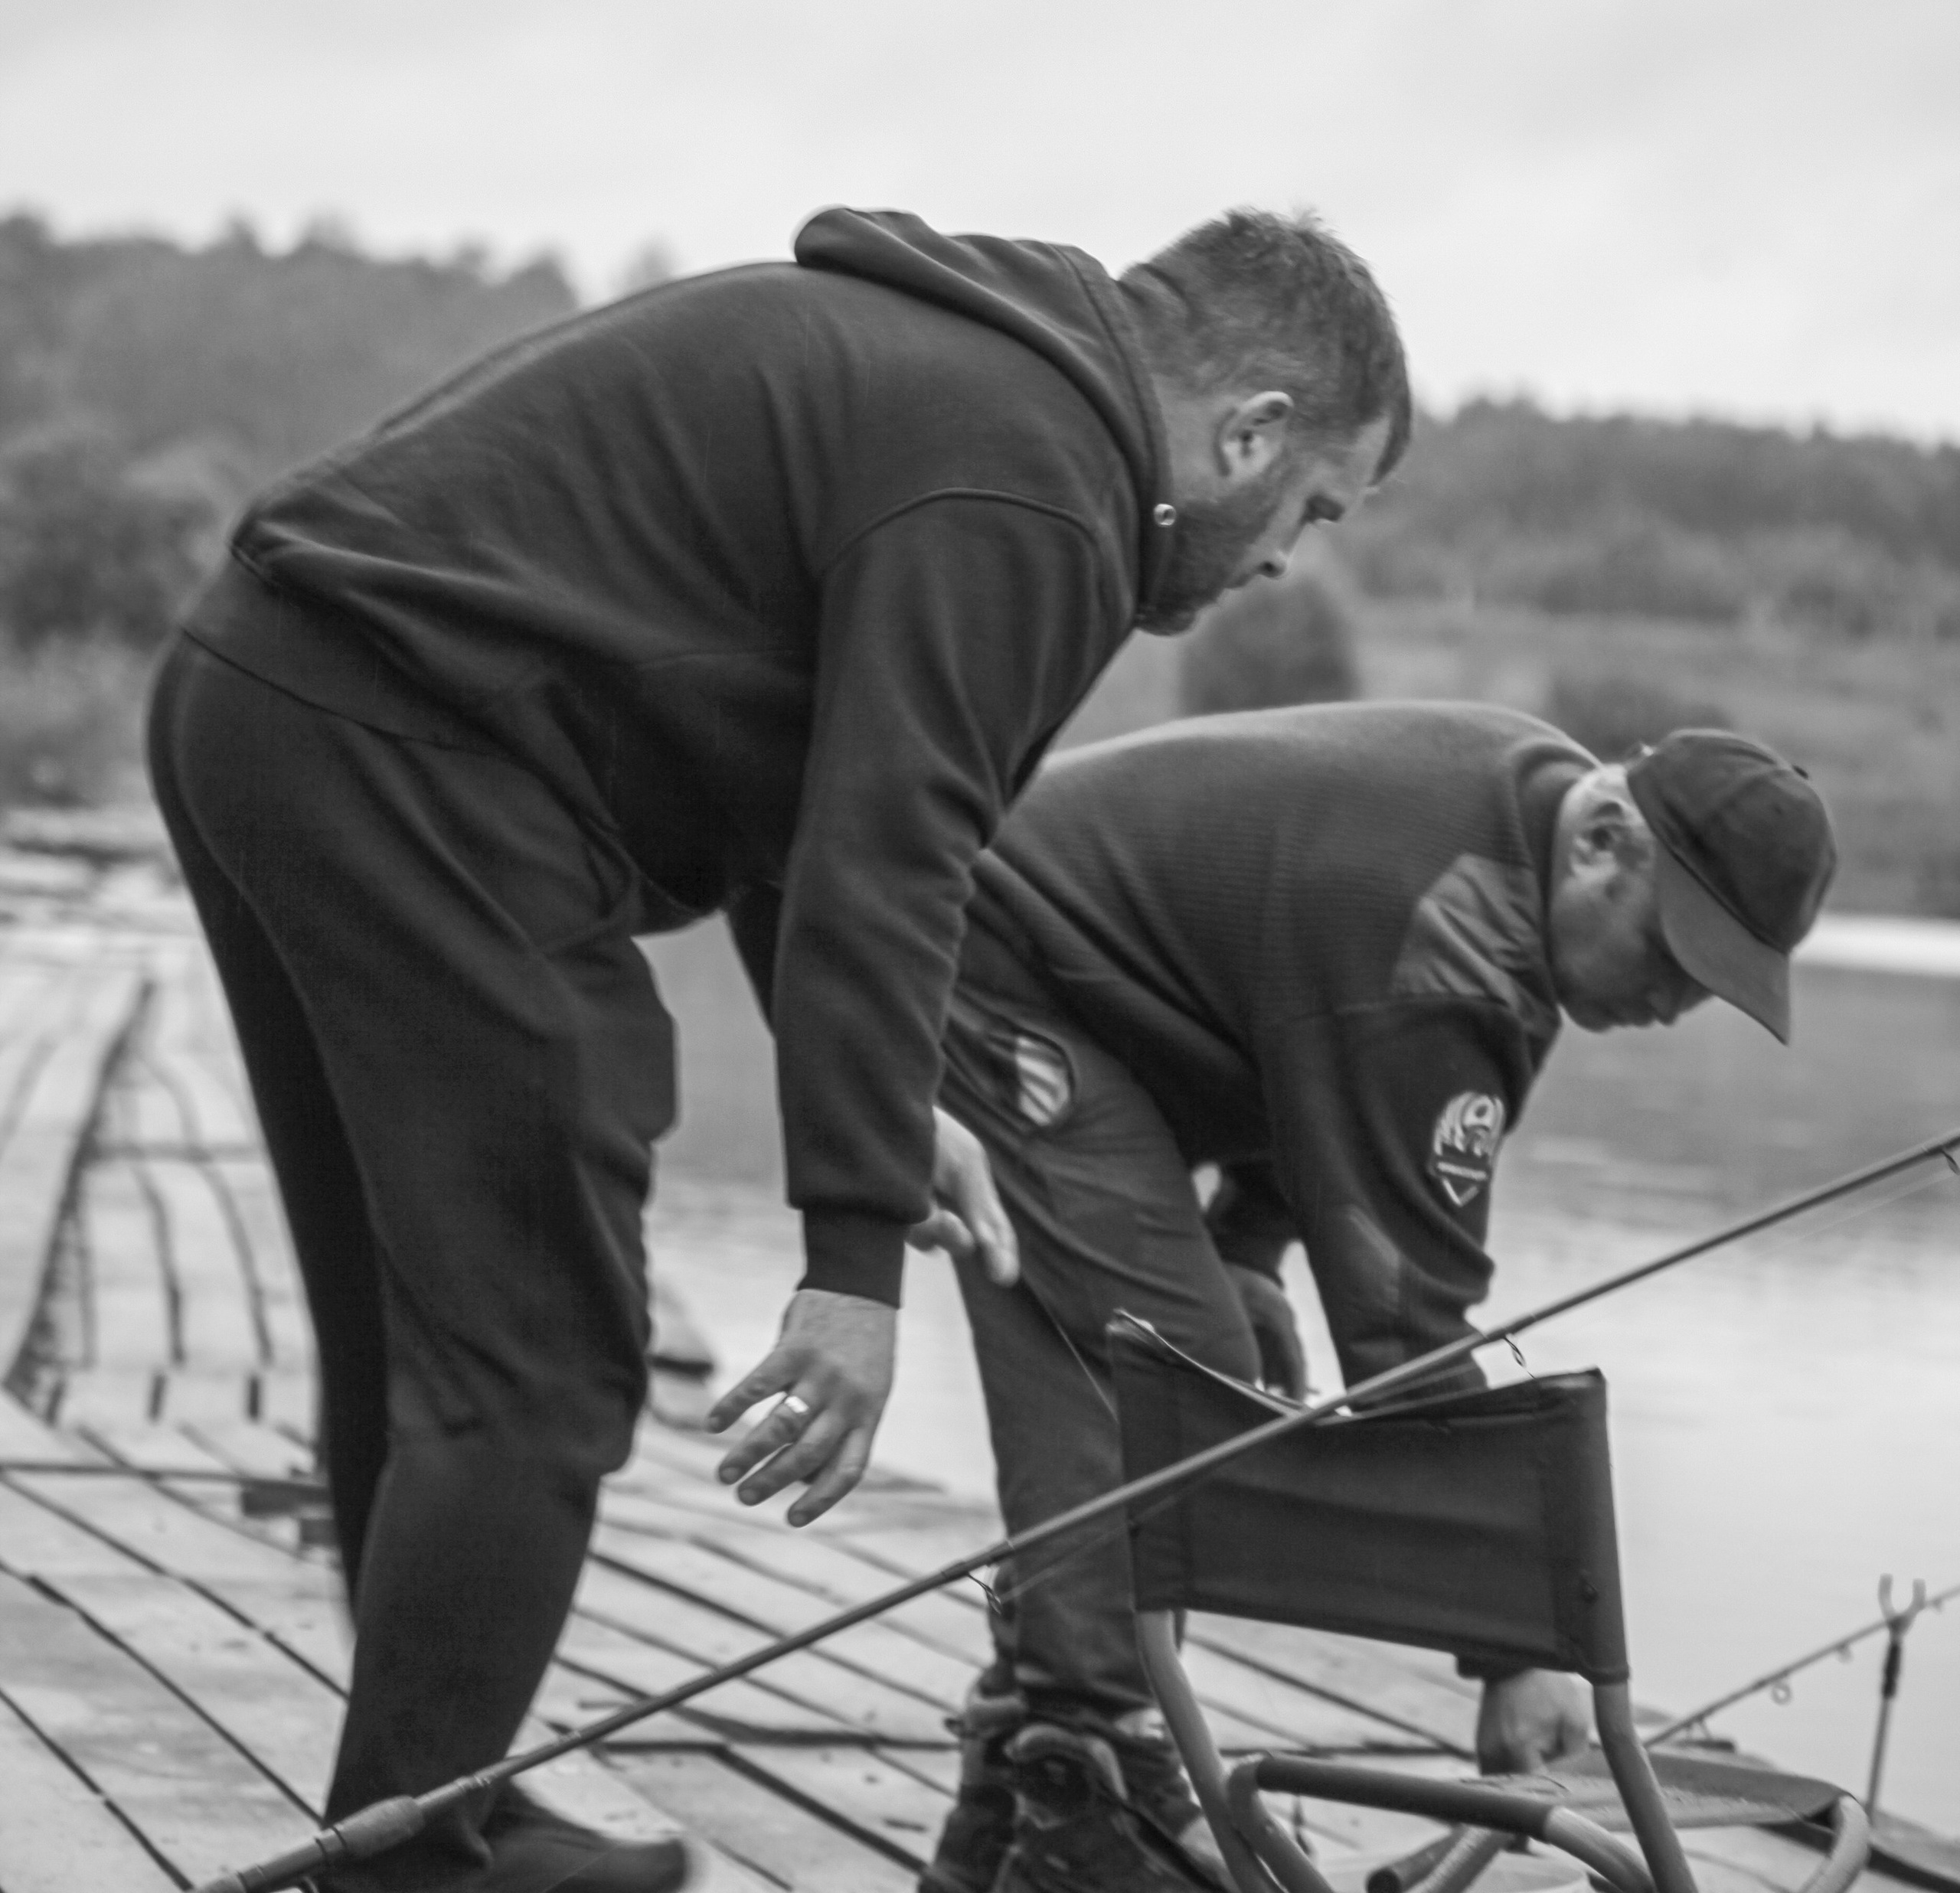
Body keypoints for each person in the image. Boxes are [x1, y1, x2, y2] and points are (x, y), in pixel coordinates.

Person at [144, 202, 1410, 1893]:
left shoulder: (983, 391)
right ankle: (408, 1862)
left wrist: (896, 1128)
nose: (1281, 558)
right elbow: (892, 853)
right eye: (1310, 506)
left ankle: (432, 1810)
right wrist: (850, 1262)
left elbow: (810, 829)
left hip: (268, 693)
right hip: (422, 758)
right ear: (1247, 428)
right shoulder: (1036, 485)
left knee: (420, 1324)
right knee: (542, 1357)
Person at [916, 703, 1837, 1893]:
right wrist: (1515, 1648)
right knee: (1173, 1359)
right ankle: (1091, 1773)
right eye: (1673, 954)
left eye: (1711, 986)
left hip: (1102, 999)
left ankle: (1021, 1789)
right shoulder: (1448, 935)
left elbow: (1308, 1050)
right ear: (1608, 838)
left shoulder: (1523, 838)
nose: (1673, 1003)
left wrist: (1249, 1243)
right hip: (1000, 965)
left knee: (1182, 1338)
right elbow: (1404, 1331)